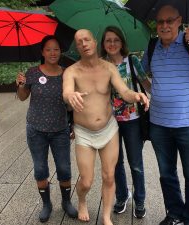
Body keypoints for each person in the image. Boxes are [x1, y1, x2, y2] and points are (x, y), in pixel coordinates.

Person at [141, 5, 189, 225]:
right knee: (167, 174)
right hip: (159, 124)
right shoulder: (152, 46)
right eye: (160, 22)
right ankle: (175, 213)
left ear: (179, 21)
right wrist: (152, 90)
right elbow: (140, 72)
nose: (164, 25)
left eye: (169, 21)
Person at [63, 29, 149, 225]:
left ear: (94, 42)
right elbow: (66, 91)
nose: (83, 44)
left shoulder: (109, 68)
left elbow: (124, 91)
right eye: (79, 42)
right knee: (86, 180)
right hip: (84, 133)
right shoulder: (72, 71)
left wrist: (136, 96)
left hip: (109, 129)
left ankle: (106, 216)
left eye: (86, 39)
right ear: (77, 47)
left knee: (109, 176)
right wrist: (70, 96)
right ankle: (82, 199)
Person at [15, 35, 78, 223]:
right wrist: (20, 84)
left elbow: (71, 103)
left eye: (56, 49)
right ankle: (46, 204)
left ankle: (66, 202)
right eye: (48, 49)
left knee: (64, 169)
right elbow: (23, 97)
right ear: (42, 52)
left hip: (60, 129)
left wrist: (72, 124)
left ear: (61, 52)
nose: (53, 52)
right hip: (36, 129)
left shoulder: (67, 73)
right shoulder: (32, 72)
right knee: (40, 169)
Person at [100, 26, 151, 219]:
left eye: (116, 40)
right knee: (115, 163)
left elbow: (145, 83)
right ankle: (122, 196)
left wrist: (160, 98)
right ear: (103, 45)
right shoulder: (101, 64)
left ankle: (140, 200)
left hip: (132, 121)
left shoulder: (132, 61)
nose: (112, 44)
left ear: (122, 42)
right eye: (108, 40)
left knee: (135, 163)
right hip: (110, 122)